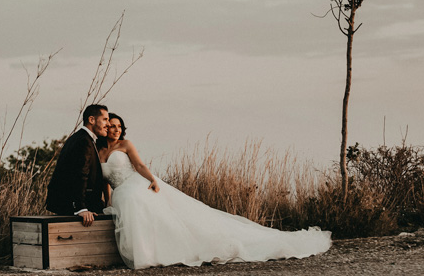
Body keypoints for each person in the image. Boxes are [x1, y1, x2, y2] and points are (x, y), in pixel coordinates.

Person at [99, 113, 332, 269]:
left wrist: (153, 180)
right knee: (137, 207)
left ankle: (154, 253)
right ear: (105, 128)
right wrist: (108, 202)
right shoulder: (99, 152)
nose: (116, 130)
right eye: (112, 126)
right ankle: (148, 252)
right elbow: (106, 180)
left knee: (162, 212)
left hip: (138, 184)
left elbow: (139, 165)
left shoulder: (125, 145)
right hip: (121, 192)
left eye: (120, 127)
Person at [46, 104, 110, 226]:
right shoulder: (83, 141)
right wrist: (81, 208)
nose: (108, 124)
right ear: (91, 120)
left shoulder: (81, 138)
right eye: (105, 120)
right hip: (70, 204)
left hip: (72, 202)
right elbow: (80, 174)